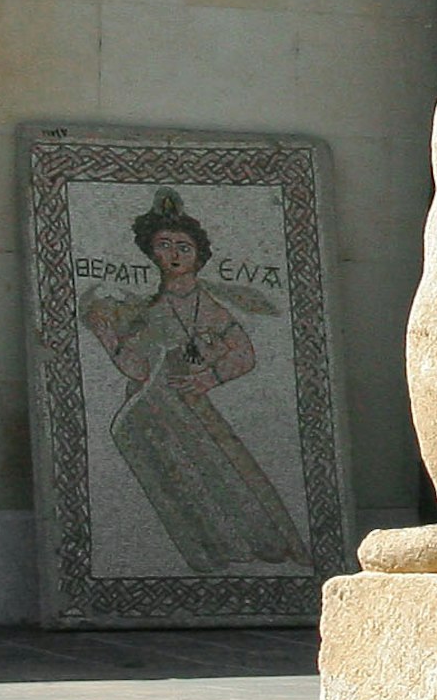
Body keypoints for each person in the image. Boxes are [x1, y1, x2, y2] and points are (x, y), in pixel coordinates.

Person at [83, 189, 305, 573]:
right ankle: (212, 553)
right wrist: (107, 337)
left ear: (198, 255)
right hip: (154, 413)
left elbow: (244, 353)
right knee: (181, 485)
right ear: (151, 253)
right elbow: (138, 369)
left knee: (223, 476)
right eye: (164, 246)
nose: (173, 255)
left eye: (182, 247)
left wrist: (208, 378)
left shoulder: (209, 306)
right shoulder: (147, 310)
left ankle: (259, 549)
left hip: (190, 409)